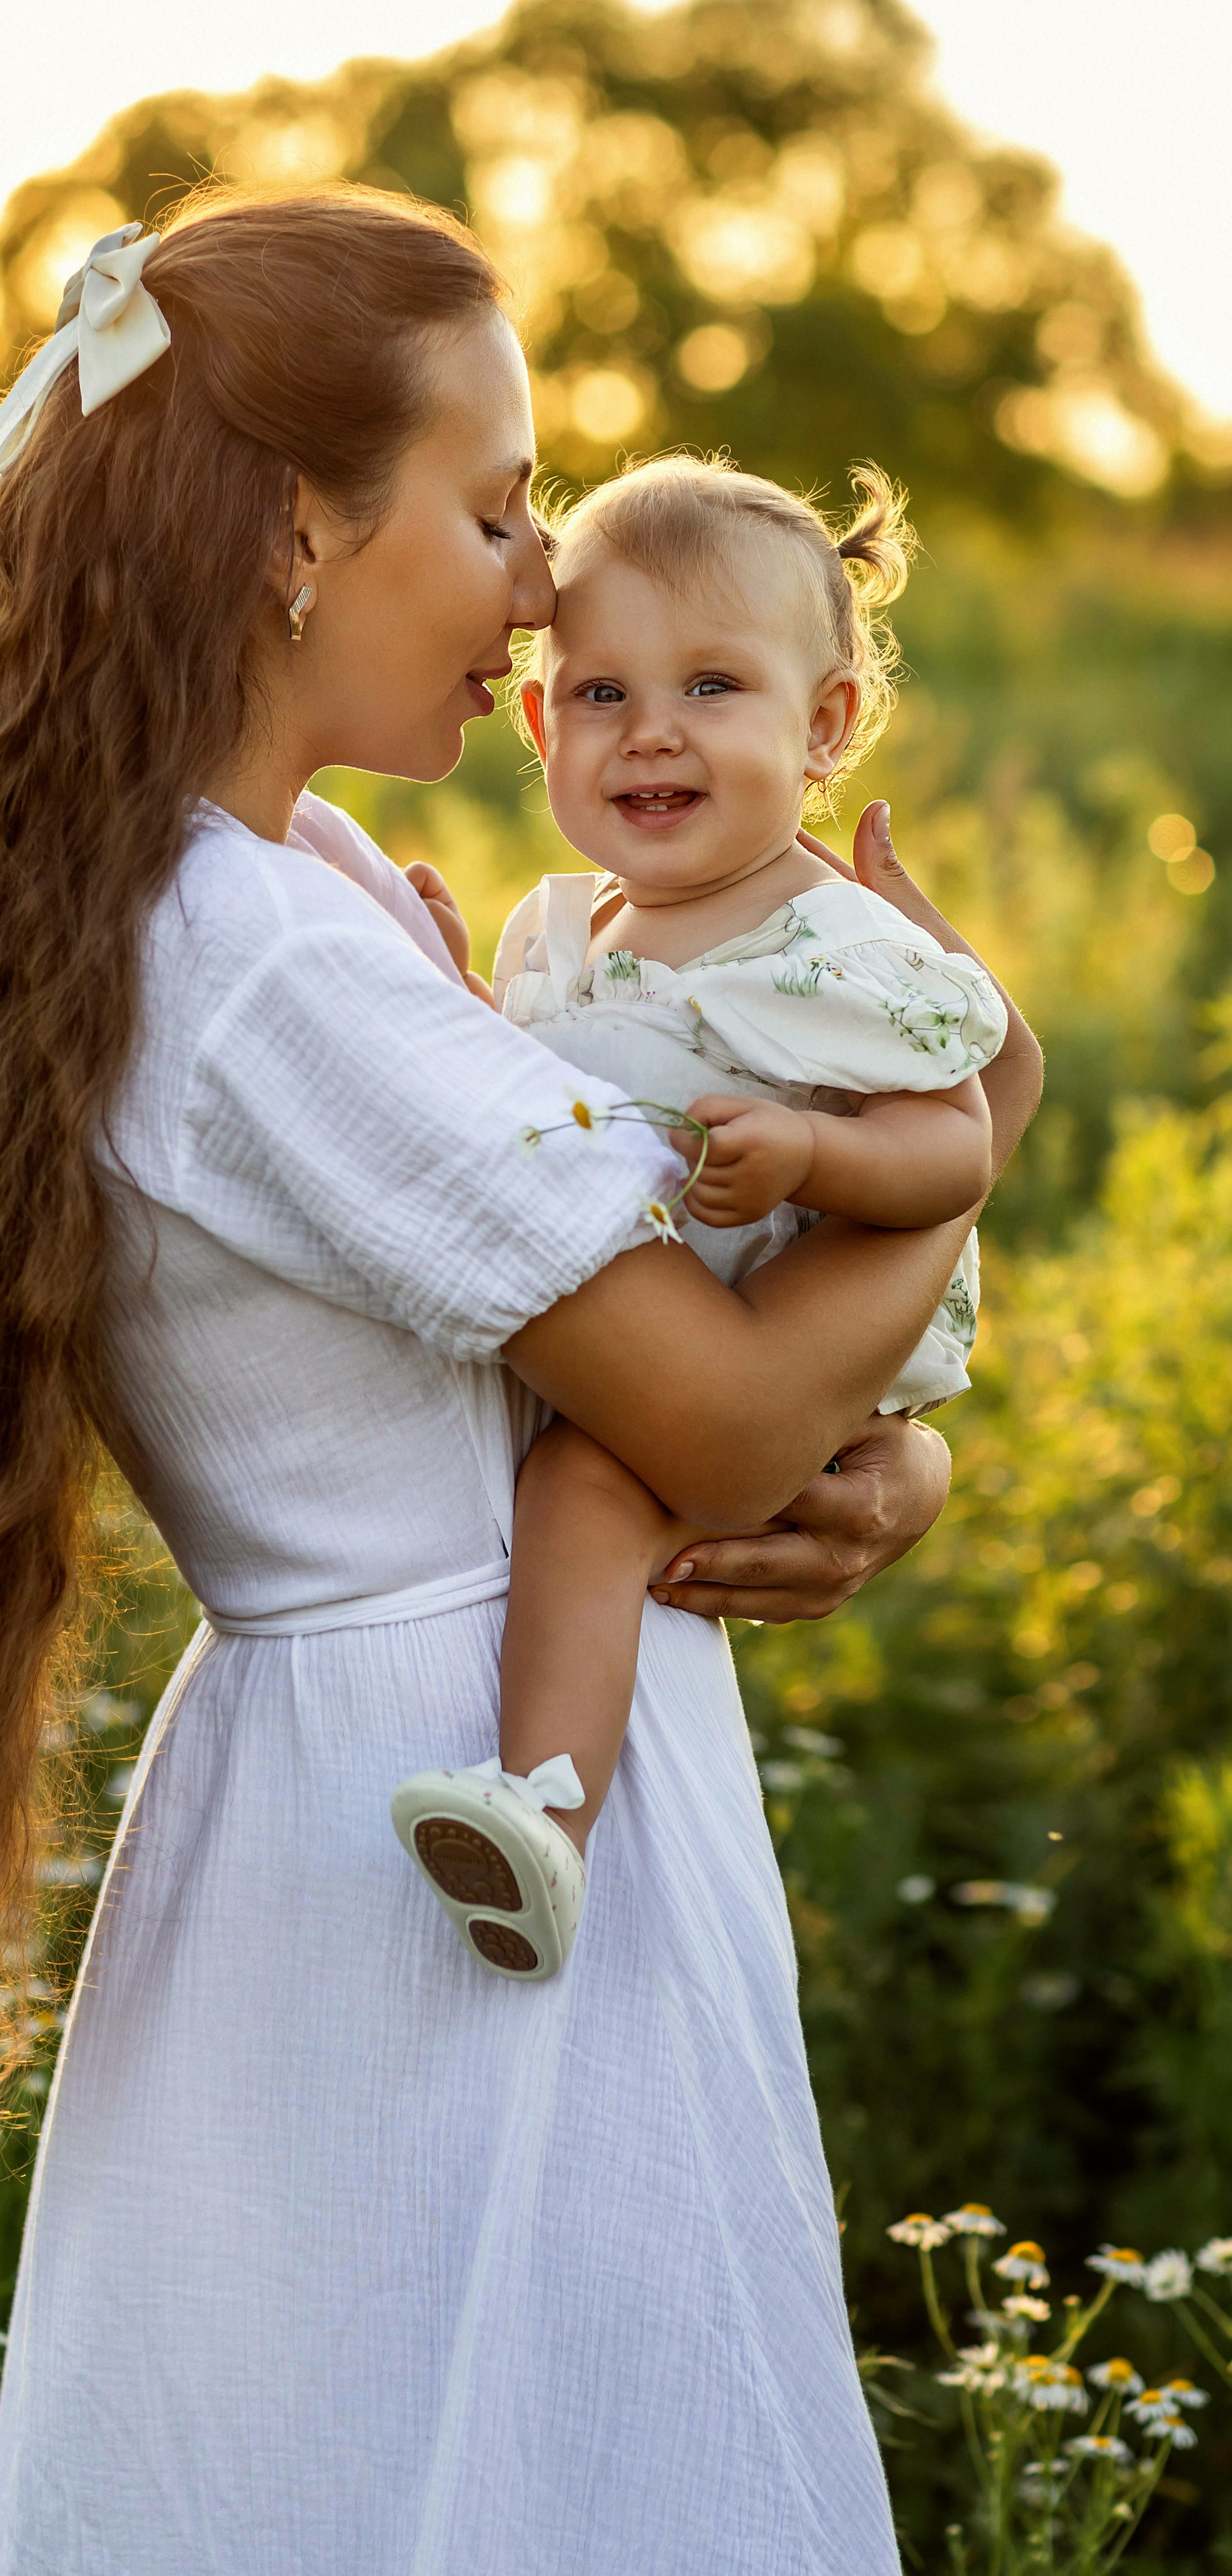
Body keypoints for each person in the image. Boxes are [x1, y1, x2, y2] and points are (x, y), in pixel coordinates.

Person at [0, 186, 1039, 2573]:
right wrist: (961, 1143)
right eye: (496, 511)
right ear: (297, 528)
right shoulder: (264, 957)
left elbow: (698, 1409)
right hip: (438, 1808)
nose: (539, 586)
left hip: (455, 1758)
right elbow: (701, 1416)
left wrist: (877, 1470)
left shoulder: (327, 897)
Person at [390, 454, 1034, 1982]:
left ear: (821, 729)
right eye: (600, 692)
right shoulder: (557, 932)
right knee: (581, 1491)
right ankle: (544, 1799)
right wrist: (447, 1006)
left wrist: (814, 1154)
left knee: (589, 1498)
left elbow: (956, 1146)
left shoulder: (822, 943)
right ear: (539, 726)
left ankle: (541, 1809)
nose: (652, 730)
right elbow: (548, 1111)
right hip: (666, 1325)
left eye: (712, 686)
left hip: (783, 1344)